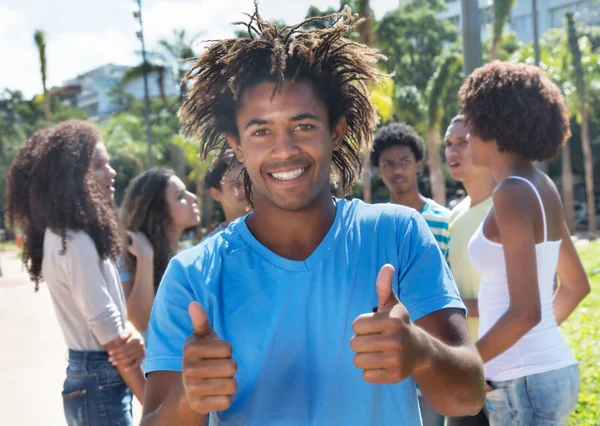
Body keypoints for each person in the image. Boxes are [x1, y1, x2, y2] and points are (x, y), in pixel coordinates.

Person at [140, 6, 485, 426]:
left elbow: (467, 398)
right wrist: (186, 399)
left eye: (303, 126)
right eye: (261, 131)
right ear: (236, 144)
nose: (284, 149)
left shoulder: (397, 233)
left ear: (335, 131)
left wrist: (422, 352)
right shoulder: (192, 276)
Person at [459, 61, 590, 425]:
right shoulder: (539, 185)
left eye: (471, 123)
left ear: (493, 125)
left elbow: (526, 311)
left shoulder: (512, 194)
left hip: (524, 385)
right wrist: (539, 342)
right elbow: (576, 286)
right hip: (545, 374)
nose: (467, 134)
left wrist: (467, 364)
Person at [5, 120, 145, 426]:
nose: (111, 172)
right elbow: (107, 327)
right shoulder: (74, 240)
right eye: (97, 165)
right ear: (70, 176)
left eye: (107, 164)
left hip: (93, 377)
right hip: (100, 377)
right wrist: (151, 400)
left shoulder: (69, 235)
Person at [444, 115, 496, 426]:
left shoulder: (508, 205)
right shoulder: (454, 215)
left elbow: (545, 292)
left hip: (505, 374)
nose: (452, 151)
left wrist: (465, 307)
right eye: (449, 144)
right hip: (465, 373)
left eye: (462, 142)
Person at [119, 168, 201, 335]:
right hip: (152, 359)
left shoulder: (194, 254)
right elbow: (138, 323)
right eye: (180, 196)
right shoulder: (129, 259)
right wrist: (145, 258)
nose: (193, 198)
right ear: (160, 213)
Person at [371, 123, 451, 258]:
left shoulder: (445, 221)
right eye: (388, 164)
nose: (397, 170)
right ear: (379, 170)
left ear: (418, 165)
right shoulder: (373, 225)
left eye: (405, 161)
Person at [203, 154, 249, 239]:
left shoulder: (277, 232)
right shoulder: (211, 247)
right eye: (236, 185)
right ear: (215, 193)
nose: (245, 188)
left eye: (248, 181)